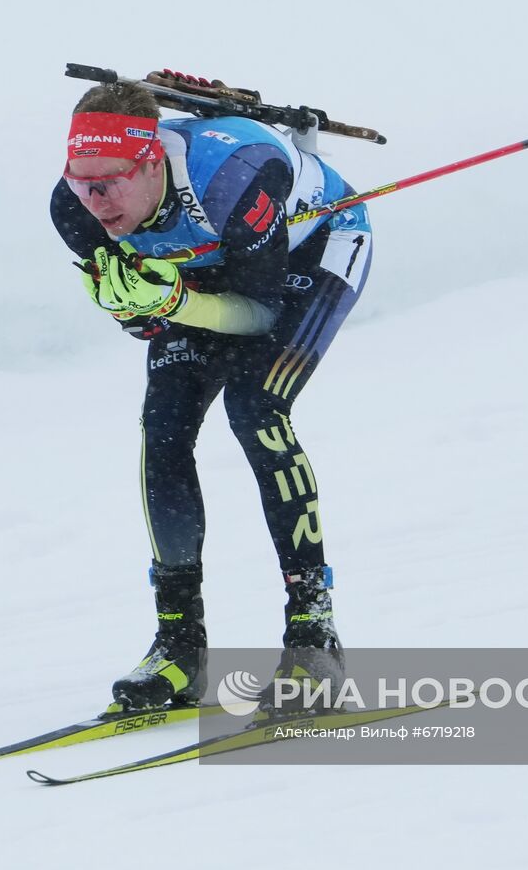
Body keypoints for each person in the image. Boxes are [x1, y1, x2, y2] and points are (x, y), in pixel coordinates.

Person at [50, 81, 373, 712]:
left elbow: (258, 313)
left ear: (150, 162)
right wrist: (136, 310)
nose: (94, 202)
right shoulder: (72, 208)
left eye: (108, 183)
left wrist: (170, 303)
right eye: (79, 182)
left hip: (311, 253)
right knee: (163, 428)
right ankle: (178, 646)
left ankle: (314, 636)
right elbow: (145, 313)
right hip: (205, 269)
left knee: (255, 407)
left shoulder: (234, 176)